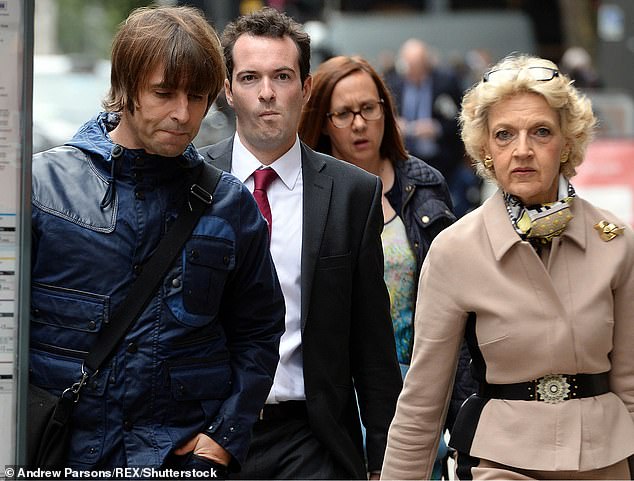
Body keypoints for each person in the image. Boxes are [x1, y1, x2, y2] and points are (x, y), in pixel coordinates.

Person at [29, 5, 285, 475]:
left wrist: (225, 437)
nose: (182, 113)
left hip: (180, 460)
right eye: (164, 93)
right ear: (125, 87)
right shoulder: (42, 187)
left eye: (197, 96)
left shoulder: (227, 204)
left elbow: (259, 330)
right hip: (61, 455)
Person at [381, 54, 634, 480]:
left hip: (604, 461)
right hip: (502, 464)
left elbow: (630, 386)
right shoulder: (455, 250)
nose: (522, 150)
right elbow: (423, 402)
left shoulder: (615, 241)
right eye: (504, 135)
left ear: (568, 141)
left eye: (541, 132)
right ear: (484, 149)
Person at [199, 8, 402, 480]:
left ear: (306, 88)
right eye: (250, 77)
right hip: (206, 435)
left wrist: (384, 465)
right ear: (228, 90)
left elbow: (372, 341)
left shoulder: (352, 193)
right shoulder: (191, 182)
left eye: (282, 76)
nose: (266, 93)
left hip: (311, 438)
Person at [298, 56, 476, 473]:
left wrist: (464, 411)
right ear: (323, 121)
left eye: (369, 108)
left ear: (386, 109)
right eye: (343, 113)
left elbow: (457, 310)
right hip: (338, 396)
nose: (359, 124)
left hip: (419, 389)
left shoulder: (424, 184)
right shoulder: (305, 192)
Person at [386, 38, 478, 217]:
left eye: (418, 66)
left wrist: (437, 128)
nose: (413, 73)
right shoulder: (395, 84)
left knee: (450, 211)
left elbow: (463, 119)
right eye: (409, 67)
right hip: (406, 161)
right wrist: (395, 124)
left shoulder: (446, 81)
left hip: (444, 161)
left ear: (426, 64)